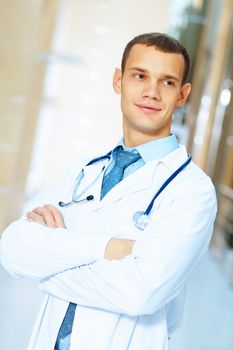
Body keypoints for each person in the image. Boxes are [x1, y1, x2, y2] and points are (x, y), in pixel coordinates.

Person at [0, 33, 217, 350]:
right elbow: (13, 250)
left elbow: (142, 291)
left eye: (167, 82)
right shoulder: (83, 171)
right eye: (139, 76)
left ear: (182, 95)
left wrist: (50, 261)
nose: (151, 92)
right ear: (118, 80)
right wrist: (112, 248)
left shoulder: (192, 190)